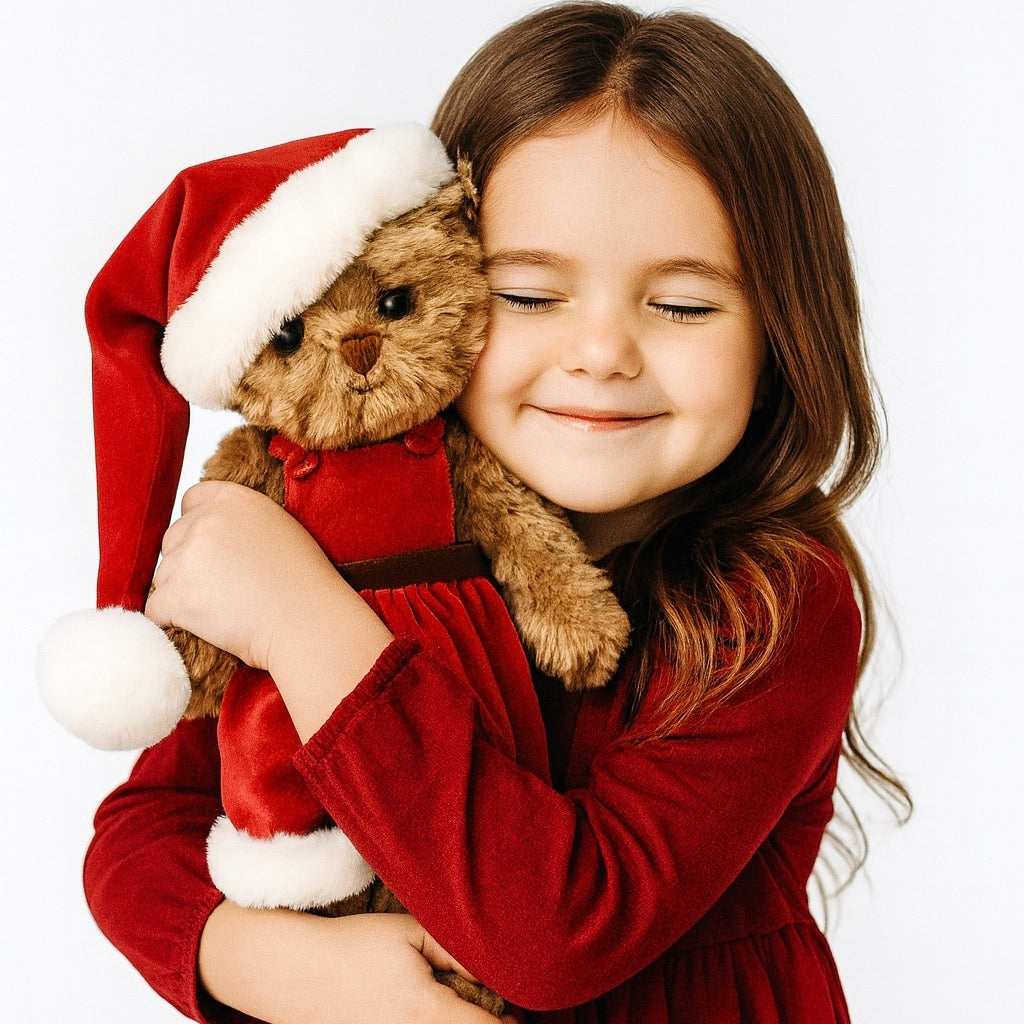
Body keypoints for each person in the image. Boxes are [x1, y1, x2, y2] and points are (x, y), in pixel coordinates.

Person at [83, 3, 909, 1022]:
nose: (600, 353)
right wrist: (270, 963)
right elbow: (141, 831)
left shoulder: (774, 601)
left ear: (782, 330)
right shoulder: (336, 531)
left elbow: (559, 933)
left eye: (683, 305)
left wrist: (301, 622)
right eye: (527, 295)